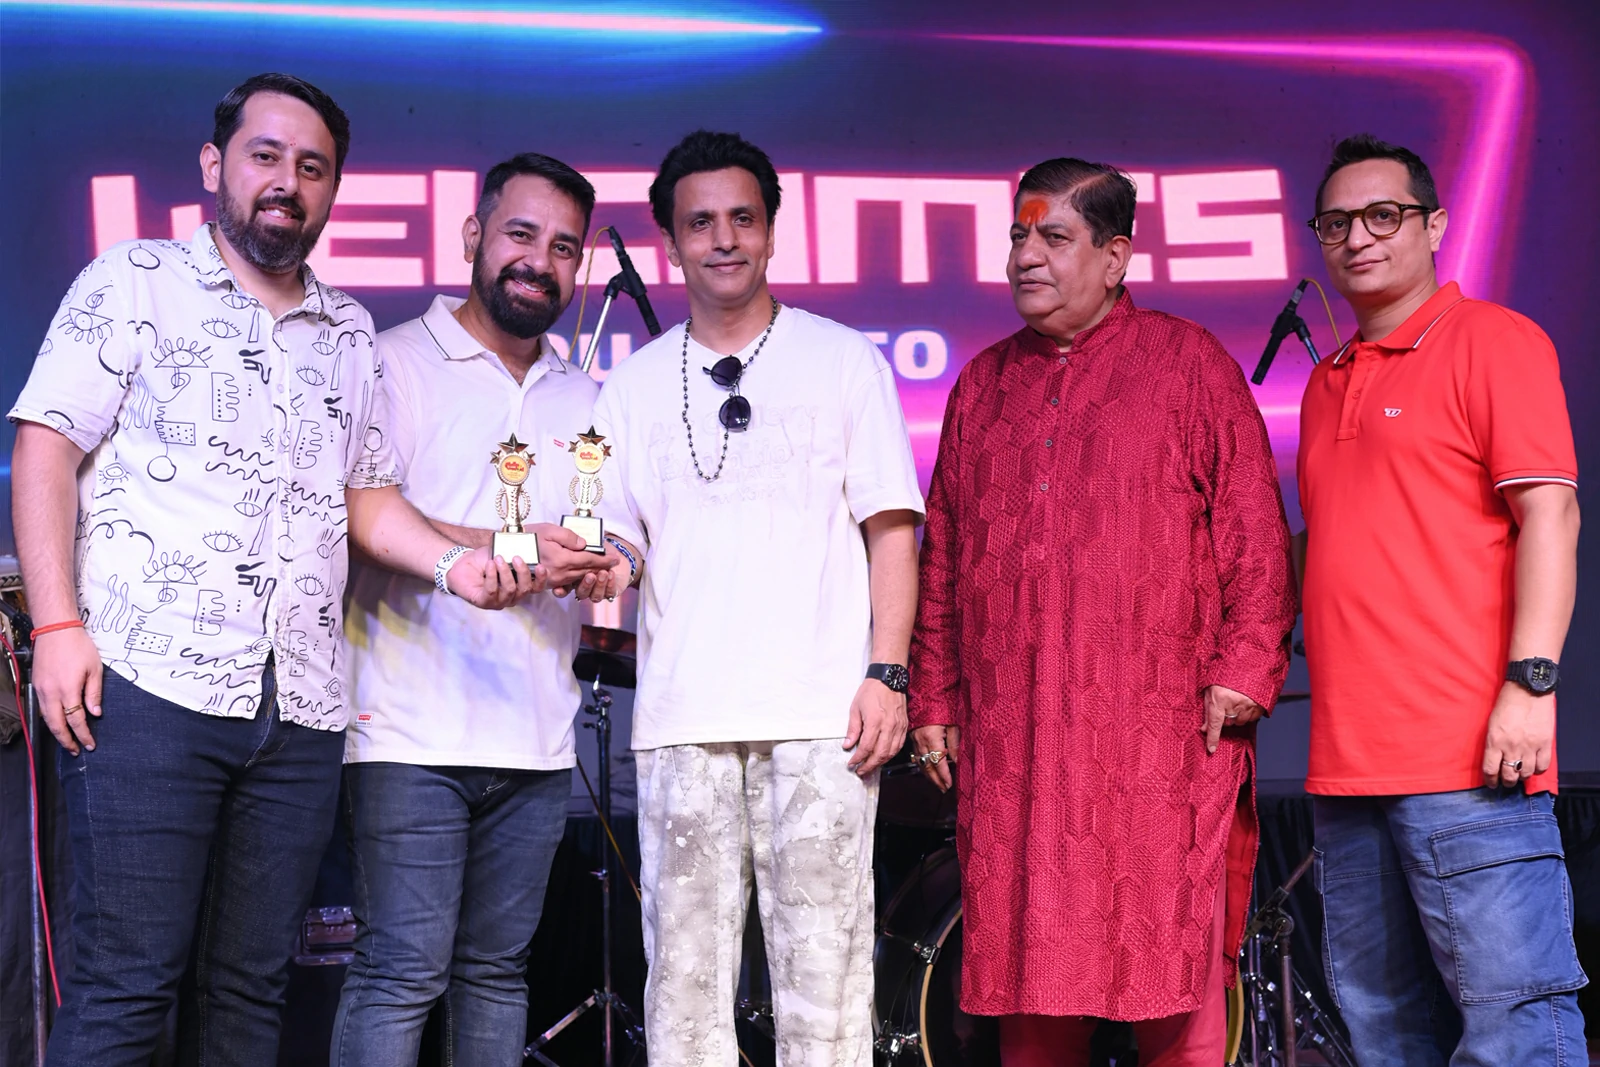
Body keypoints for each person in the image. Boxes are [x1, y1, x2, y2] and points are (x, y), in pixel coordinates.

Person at [8, 73, 532, 1066]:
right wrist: (58, 623)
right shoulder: (134, 280)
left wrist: (457, 564)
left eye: (312, 166)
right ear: (216, 166)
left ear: (332, 189)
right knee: (127, 988)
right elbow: (45, 445)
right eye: (265, 156)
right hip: (146, 686)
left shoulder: (349, 331)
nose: (287, 181)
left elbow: (366, 495)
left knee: (250, 994)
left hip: (299, 711)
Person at [909, 158, 1296, 1066]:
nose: (1025, 256)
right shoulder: (982, 386)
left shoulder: (1189, 364)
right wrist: (934, 695)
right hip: (1020, 743)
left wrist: (1244, 669)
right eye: (1018, 236)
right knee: (1031, 981)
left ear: (1116, 256)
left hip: (1159, 739)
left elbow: (1254, 528)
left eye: (1053, 237)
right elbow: (945, 556)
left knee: (1174, 982)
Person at [589, 129, 923, 1066]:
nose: (723, 239)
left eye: (742, 218)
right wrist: (601, 564)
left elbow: (892, 529)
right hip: (682, 720)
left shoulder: (843, 359)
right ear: (670, 242)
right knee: (683, 992)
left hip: (822, 718)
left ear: (772, 231)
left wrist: (888, 673)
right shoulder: (633, 385)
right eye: (700, 222)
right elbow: (624, 540)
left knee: (827, 986)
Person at [330, 152, 637, 1065]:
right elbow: (358, 513)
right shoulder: (392, 361)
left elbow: (616, 529)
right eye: (520, 234)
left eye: (564, 247)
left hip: (535, 737)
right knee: (399, 972)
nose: (539, 261)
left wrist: (610, 561)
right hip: (405, 731)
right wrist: (511, 546)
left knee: (497, 976)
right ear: (473, 234)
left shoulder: (587, 396)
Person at [1298, 133, 1587, 1065]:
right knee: (1384, 1036)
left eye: (1384, 215)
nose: (1358, 238)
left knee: (1515, 1031)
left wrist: (1530, 685)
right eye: (1336, 222)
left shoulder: (1493, 340)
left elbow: (1551, 513)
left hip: (1470, 757)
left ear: (1434, 226)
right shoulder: (1325, 381)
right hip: (1348, 768)